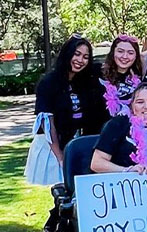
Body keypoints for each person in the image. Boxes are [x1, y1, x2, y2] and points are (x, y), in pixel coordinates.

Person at [25, 34, 96, 185]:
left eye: (85, 57)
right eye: (76, 54)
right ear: (67, 53)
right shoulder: (49, 82)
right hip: (52, 147)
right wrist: (61, 158)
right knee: (60, 192)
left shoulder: (84, 82)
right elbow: (47, 124)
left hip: (74, 144)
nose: (80, 60)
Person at [90, 83, 147, 174]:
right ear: (132, 106)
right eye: (140, 102)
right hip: (122, 184)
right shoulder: (118, 124)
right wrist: (127, 170)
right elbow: (96, 163)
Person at [98, 34, 143, 120]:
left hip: (130, 129)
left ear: (136, 56)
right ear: (113, 52)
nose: (125, 56)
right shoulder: (98, 72)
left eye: (130, 53)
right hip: (100, 130)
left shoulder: (140, 77)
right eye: (120, 51)